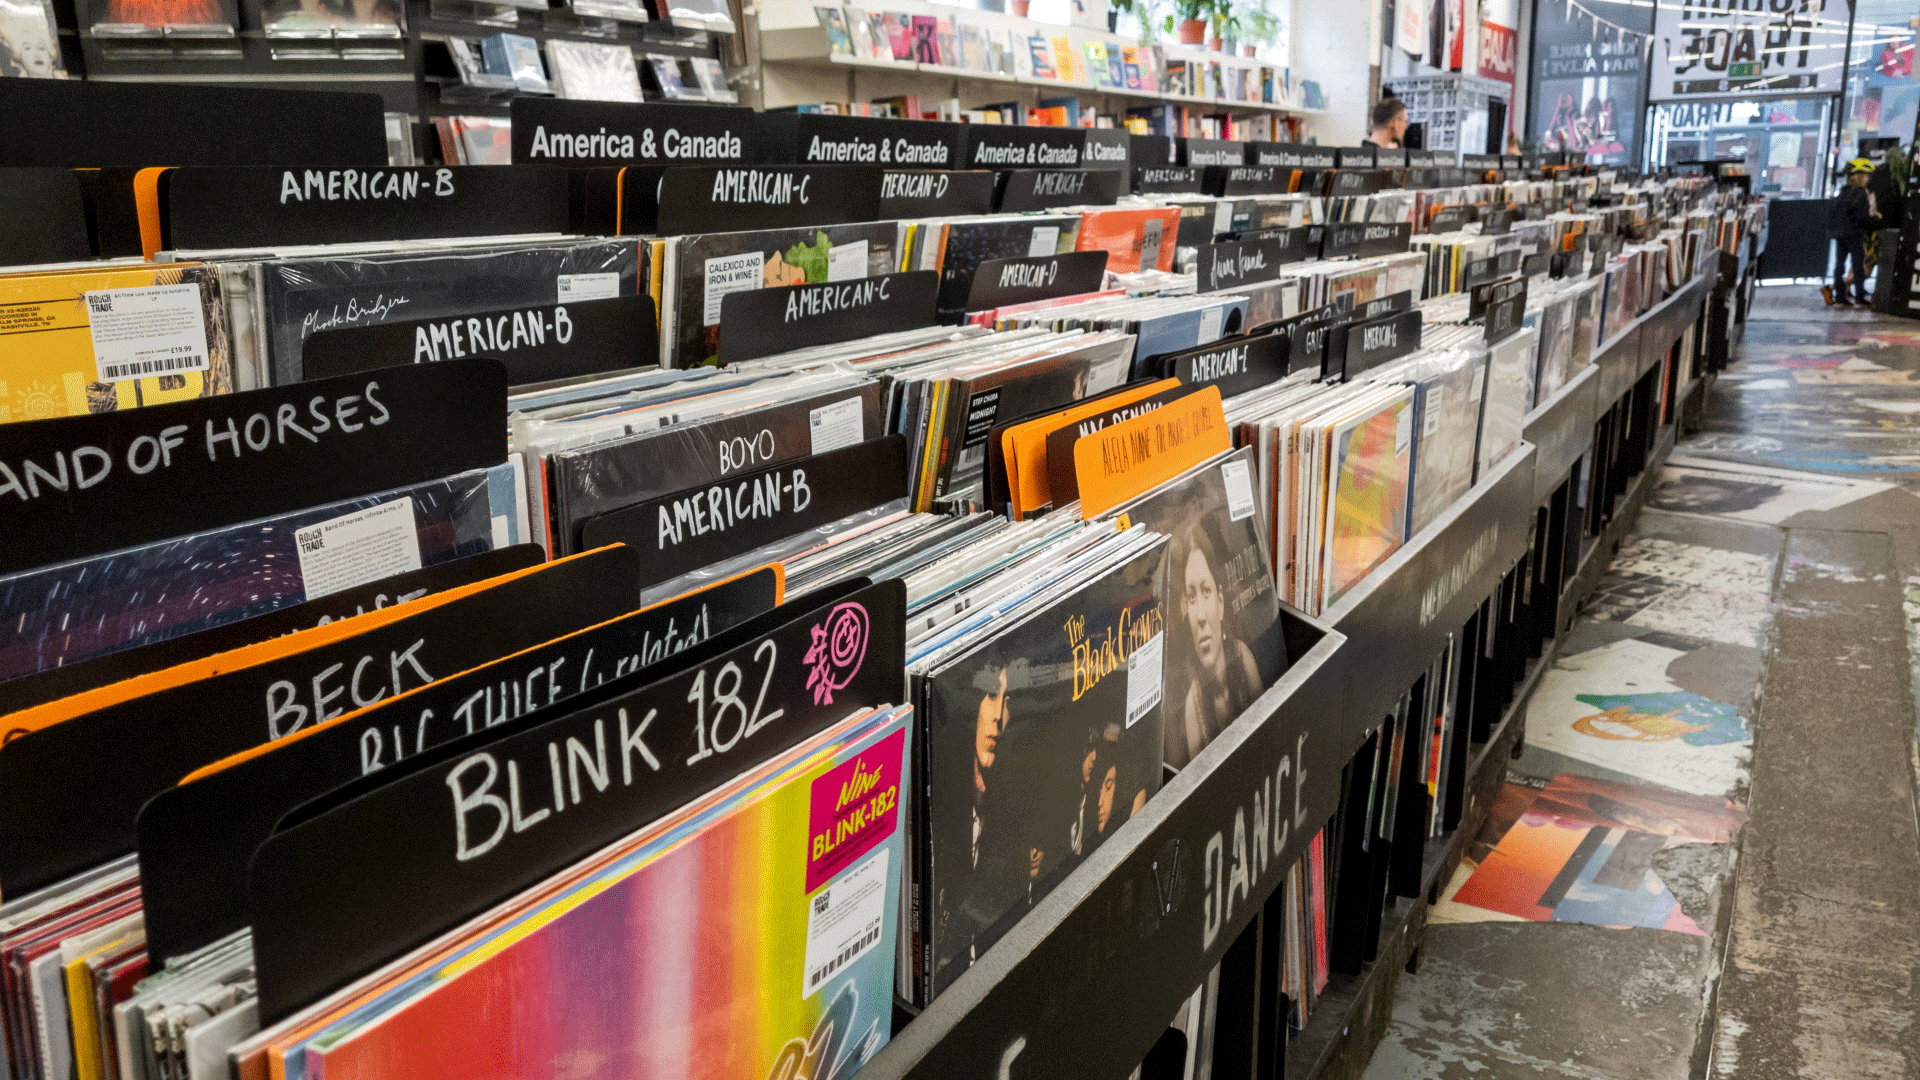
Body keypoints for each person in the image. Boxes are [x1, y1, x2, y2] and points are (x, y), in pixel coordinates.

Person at [1169, 524, 1263, 768]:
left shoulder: (1243, 658)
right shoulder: (1194, 707)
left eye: (1206, 591)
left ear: (1220, 603)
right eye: (1191, 597)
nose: (1200, 616)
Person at [1825, 158, 1881, 306]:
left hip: (1840, 235)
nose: (1868, 178)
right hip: (1855, 234)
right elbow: (1862, 217)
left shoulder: (1842, 193)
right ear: (1860, 176)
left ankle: (1839, 298)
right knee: (1857, 266)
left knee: (1839, 266)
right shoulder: (1861, 194)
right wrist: (1874, 221)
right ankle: (1859, 299)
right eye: (1866, 175)